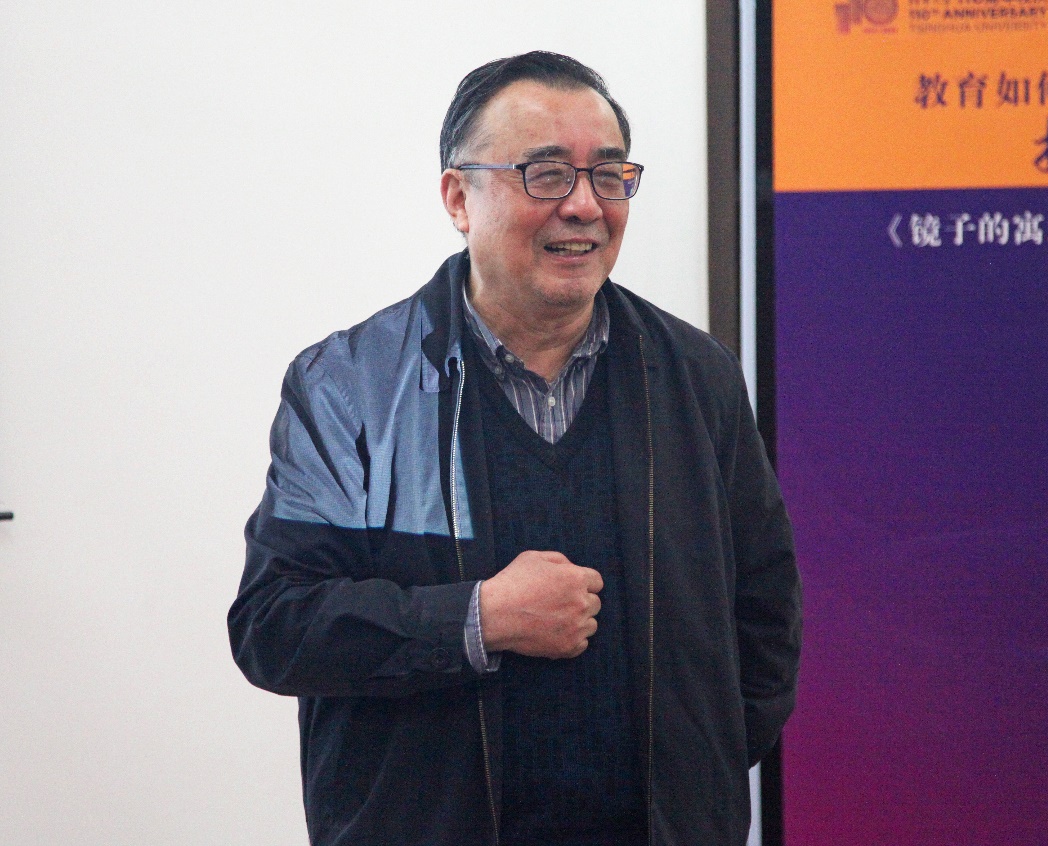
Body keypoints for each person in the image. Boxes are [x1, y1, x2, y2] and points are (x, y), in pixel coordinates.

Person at [228, 51, 801, 846]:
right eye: (545, 174)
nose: (584, 206)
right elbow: (275, 626)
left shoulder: (696, 376)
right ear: (458, 197)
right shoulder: (350, 386)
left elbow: (765, 616)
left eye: (609, 176)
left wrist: (699, 777)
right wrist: (479, 618)